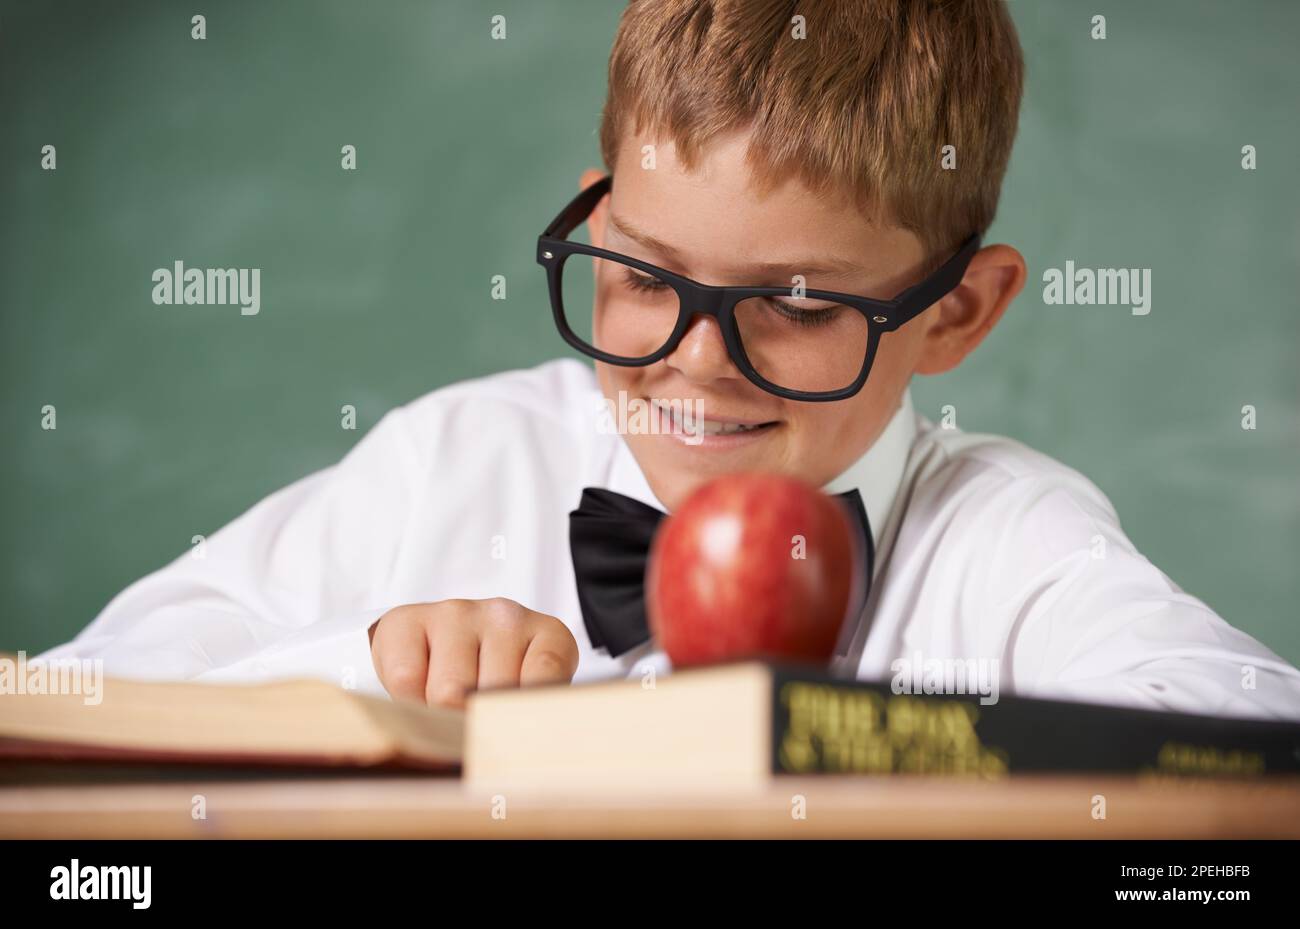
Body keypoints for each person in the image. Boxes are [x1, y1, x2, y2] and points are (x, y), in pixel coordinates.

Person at [42, 0, 1300, 719]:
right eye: (643, 279)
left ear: (956, 314)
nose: (697, 365)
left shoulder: (1002, 535)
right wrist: (359, 662)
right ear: (594, 223)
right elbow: (73, 694)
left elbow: (1247, 717)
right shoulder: (458, 461)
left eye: (798, 306)